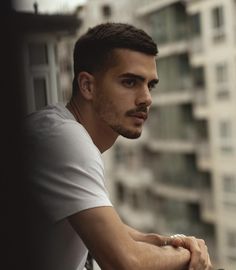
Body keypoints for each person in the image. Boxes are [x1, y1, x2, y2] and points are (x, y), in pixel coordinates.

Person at [25, 22, 213, 270]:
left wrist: (164, 241)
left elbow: (97, 222)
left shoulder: (57, 127)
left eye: (150, 85)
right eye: (130, 82)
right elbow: (125, 262)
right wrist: (189, 257)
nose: (146, 98)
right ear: (87, 86)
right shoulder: (63, 140)